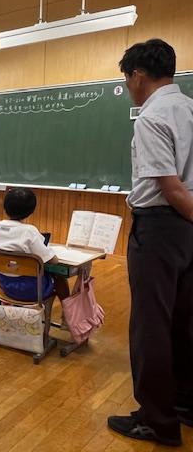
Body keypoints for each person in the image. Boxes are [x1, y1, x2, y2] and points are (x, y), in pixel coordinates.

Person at [107, 39, 193, 448]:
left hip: (160, 228)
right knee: (185, 318)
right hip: (188, 231)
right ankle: (185, 403)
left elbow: (170, 189)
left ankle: (158, 420)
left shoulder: (151, 117)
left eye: (127, 79)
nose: (129, 87)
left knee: (151, 325)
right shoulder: (189, 108)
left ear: (138, 75)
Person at [0, 187, 70, 302]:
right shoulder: (29, 231)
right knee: (59, 274)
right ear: (31, 211)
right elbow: (53, 261)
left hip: (5, 286)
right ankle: (68, 311)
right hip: (33, 290)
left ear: (4, 207)